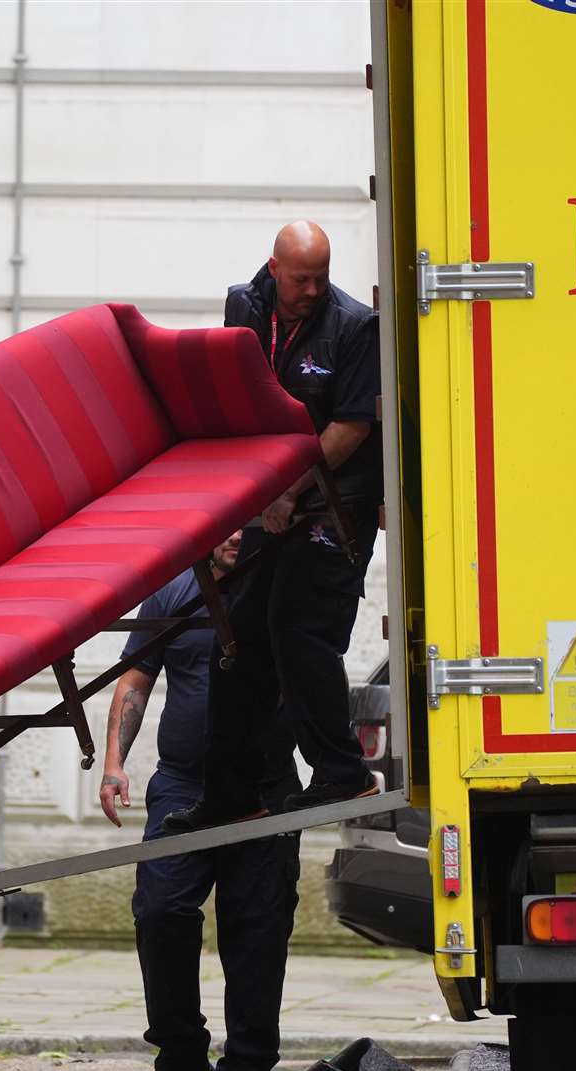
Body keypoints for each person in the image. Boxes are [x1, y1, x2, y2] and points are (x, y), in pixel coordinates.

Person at [166, 221, 382, 833]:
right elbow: (236, 394)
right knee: (235, 644)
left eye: (321, 276)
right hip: (268, 499)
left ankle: (344, 773)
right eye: (300, 278)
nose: (312, 289)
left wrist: (288, 490)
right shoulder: (246, 304)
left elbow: (350, 430)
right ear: (274, 266)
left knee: (299, 634)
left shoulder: (353, 325)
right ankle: (232, 790)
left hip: (333, 505)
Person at [100, 531, 301, 1071]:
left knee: (258, 927)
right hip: (182, 787)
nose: (237, 534)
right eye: (226, 523)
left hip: (265, 791)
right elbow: (136, 680)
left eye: (248, 520)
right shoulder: (171, 591)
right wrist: (114, 762)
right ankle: (181, 1054)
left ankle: (250, 1065)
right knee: (161, 911)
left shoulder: (284, 582)